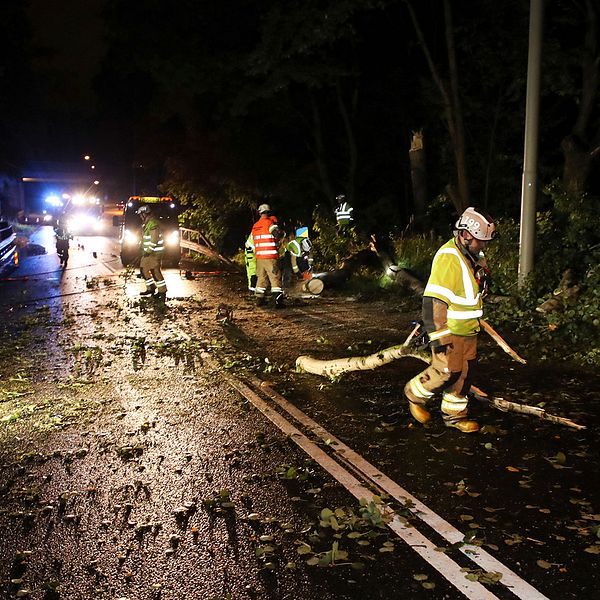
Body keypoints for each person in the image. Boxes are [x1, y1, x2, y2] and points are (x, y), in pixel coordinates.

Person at [403, 207, 497, 433]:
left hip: (469, 329)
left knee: (464, 374)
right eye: (479, 241)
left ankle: (455, 416)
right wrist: (439, 338)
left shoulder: (473, 255)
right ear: (465, 235)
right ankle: (414, 394)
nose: (483, 246)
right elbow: (434, 302)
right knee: (446, 371)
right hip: (451, 330)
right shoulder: (449, 258)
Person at [251, 203, 284, 307]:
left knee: (261, 278)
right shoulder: (270, 223)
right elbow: (278, 235)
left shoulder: (255, 226)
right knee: (275, 278)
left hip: (260, 257)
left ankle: (259, 300)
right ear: (269, 212)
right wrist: (276, 224)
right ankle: (277, 302)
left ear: (259, 213)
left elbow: (253, 241)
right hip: (270, 257)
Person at [137, 205, 167, 302]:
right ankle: (151, 288)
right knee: (143, 269)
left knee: (155, 272)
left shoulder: (153, 224)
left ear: (145, 214)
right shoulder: (147, 223)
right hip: (149, 252)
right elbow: (145, 238)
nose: (140, 217)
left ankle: (162, 292)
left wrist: (148, 251)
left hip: (154, 253)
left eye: (141, 215)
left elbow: (154, 239)